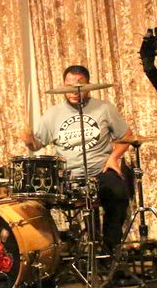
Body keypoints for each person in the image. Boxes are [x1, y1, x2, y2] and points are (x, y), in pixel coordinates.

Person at [20, 65, 134, 254]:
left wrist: (113, 158)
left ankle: (109, 249)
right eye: (69, 86)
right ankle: (55, 250)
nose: (74, 91)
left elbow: (127, 136)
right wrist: (29, 139)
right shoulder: (53, 114)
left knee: (118, 193)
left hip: (100, 171)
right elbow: (36, 145)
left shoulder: (104, 108)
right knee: (38, 202)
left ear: (89, 85)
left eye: (79, 85)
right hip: (68, 177)